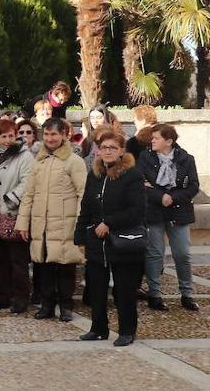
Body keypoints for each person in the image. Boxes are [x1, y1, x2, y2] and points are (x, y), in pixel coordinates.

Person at [76, 129, 146, 346]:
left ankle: (127, 330)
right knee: (96, 288)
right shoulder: (94, 174)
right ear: (98, 149)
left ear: (121, 151)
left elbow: (136, 210)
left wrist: (110, 223)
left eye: (112, 148)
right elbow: (86, 207)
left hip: (123, 240)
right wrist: (79, 238)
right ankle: (98, 328)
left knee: (124, 289)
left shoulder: (132, 175)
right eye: (104, 147)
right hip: (97, 241)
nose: (107, 151)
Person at [17, 117, 87, 322]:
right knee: (44, 266)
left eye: (54, 134)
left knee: (66, 266)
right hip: (42, 223)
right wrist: (23, 223)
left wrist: (80, 223)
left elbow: (83, 193)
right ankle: (47, 305)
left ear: (64, 135)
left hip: (65, 222)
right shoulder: (39, 161)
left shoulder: (74, 161)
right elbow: (29, 194)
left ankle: (66, 305)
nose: (49, 138)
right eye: (46, 134)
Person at [139, 124, 200, 312]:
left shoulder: (186, 159)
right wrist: (160, 196)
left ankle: (187, 294)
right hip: (153, 211)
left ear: (169, 141)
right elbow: (140, 184)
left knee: (182, 253)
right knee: (155, 253)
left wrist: (172, 197)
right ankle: (154, 294)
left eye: (156, 137)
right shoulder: (145, 157)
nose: (152, 140)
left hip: (178, 211)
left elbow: (193, 186)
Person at [0, 119, 34, 313]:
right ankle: (2, 296)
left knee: (18, 260)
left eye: (10, 135)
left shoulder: (25, 156)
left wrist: (10, 199)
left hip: (13, 213)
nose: (7, 140)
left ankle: (21, 298)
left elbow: (28, 182)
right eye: (3, 136)